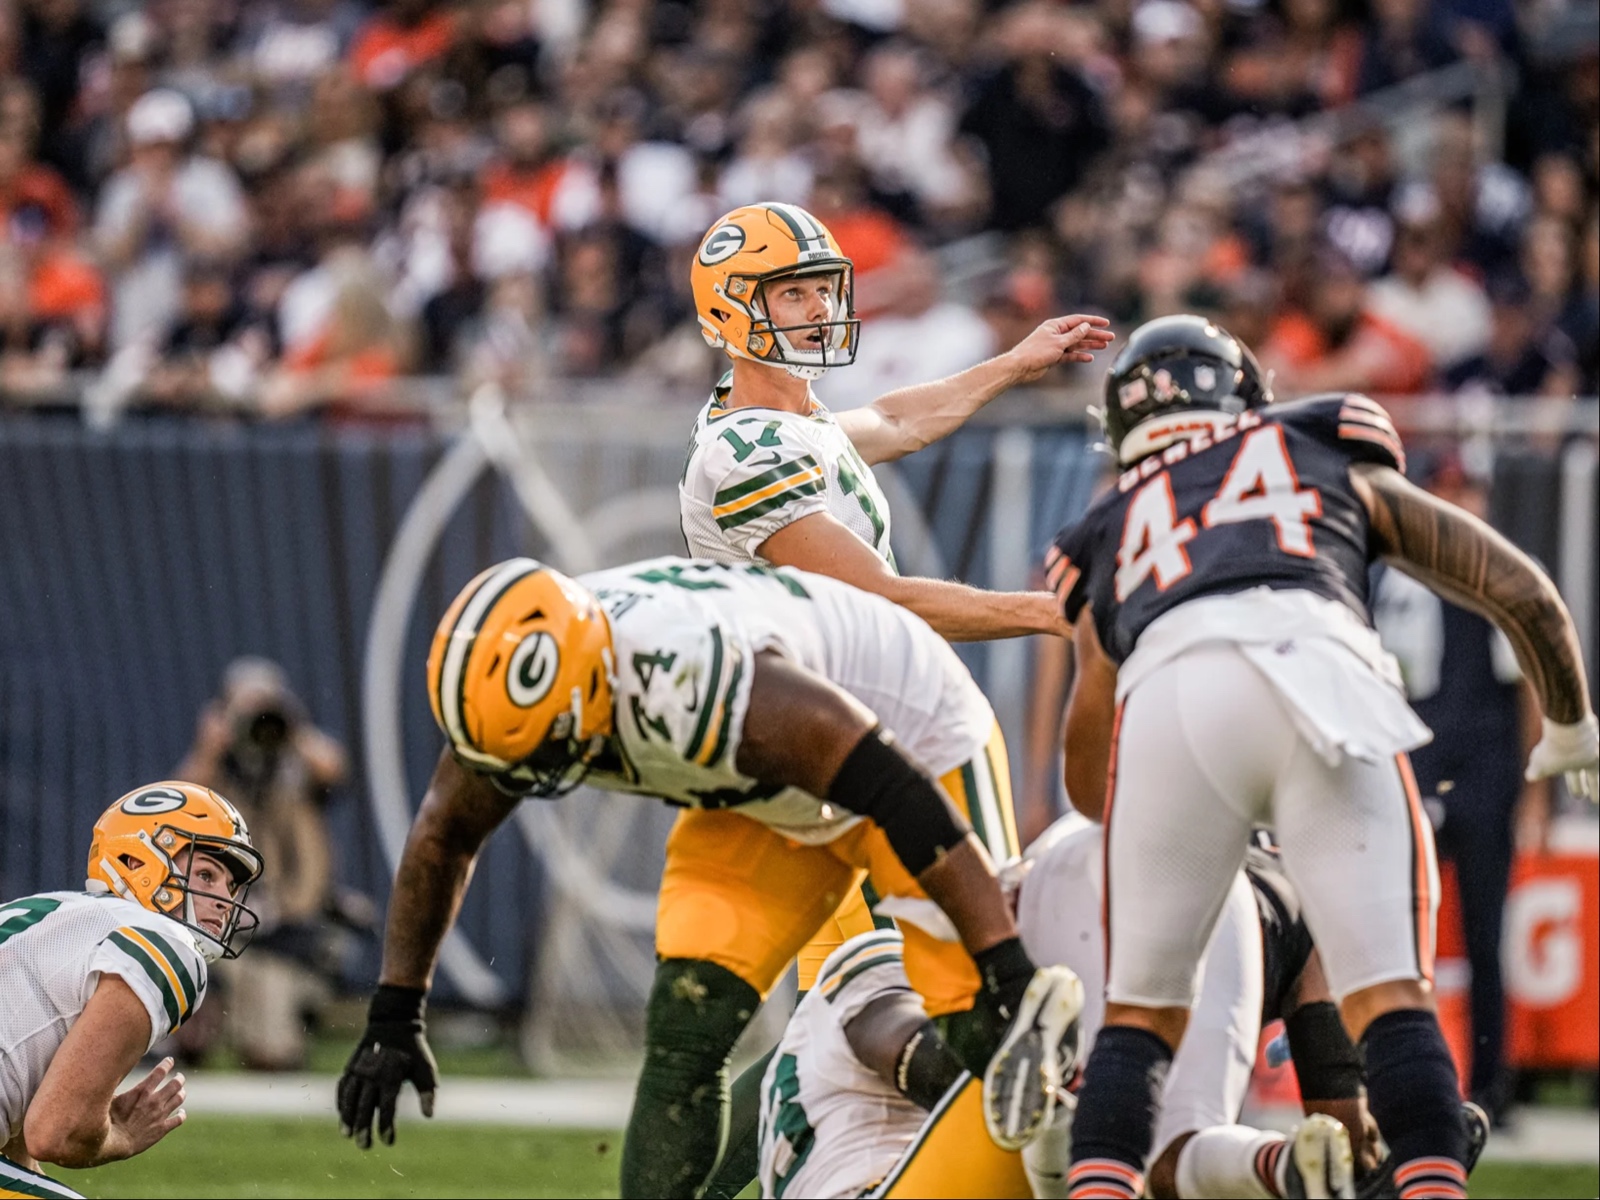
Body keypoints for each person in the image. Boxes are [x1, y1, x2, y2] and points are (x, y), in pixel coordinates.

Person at [1045, 314, 1597, 1200]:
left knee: (1138, 1026)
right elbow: (1514, 585)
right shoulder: (1317, 443)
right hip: (1321, 676)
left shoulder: (1108, 524)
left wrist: (1191, 818)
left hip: (1169, 706)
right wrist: (1570, 721)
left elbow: (1085, 778)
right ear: (1247, 398)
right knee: (1392, 1004)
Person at [334, 556, 1081, 1198]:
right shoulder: (520, 695)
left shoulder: (696, 678)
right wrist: (396, 1012)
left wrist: (1003, 965)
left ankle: (1106, 1122)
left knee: (985, 1027)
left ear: (599, 677)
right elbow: (444, 835)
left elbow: (896, 795)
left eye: (550, 747)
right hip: (757, 790)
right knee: (686, 1035)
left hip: (911, 747)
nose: (536, 775)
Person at [678, 199, 1112, 1193]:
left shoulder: (791, 428)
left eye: (816, 287)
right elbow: (882, 599)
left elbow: (903, 419)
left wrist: (1015, 361)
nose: (813, 307)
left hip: (869, 733)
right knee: (909, 1001)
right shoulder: (740, 454)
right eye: (788, 291)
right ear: (731, 309)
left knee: (844, 1020)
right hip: (849, 753)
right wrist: (1052, 612)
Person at [757, 823, 1439, 1200]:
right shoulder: (879, 965)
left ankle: (1060, 1113)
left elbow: (901, 1043)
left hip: (1087, 874)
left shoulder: (855, 991)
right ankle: (1268, 1166)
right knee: (1160, 1152)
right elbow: (1344, 1123)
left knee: (1120, 1151)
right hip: (1156, 890)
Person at [1371, 455, 1548, 1124]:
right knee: (1389, 931)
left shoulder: (1496, 570)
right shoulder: (1395, 572)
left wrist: (1533, 781)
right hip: (1413, 764)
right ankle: (1392, 1082)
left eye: (1464, 488)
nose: (1455, 501)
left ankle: (1490, 1087)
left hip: (1482, 769)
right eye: (1443, 489)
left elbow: (1529, 675)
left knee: (1483, 935)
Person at [0, 782, 263, 1199]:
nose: (224, 901)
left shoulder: (61, 917)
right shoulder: (166, 945)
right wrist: (118, 1135)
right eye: (207, 875)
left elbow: (15, 1136)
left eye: (230, 887)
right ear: (135, 860)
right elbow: (55, 1134)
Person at [175, 657, 351, 1071]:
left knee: (272, 1055)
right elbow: (173, 808)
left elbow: (334, 769)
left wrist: (290, 726)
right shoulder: (214, 772)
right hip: (216, 933)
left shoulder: (295, 767)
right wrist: (212, 744)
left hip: (282, 933)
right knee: (189, 1023)